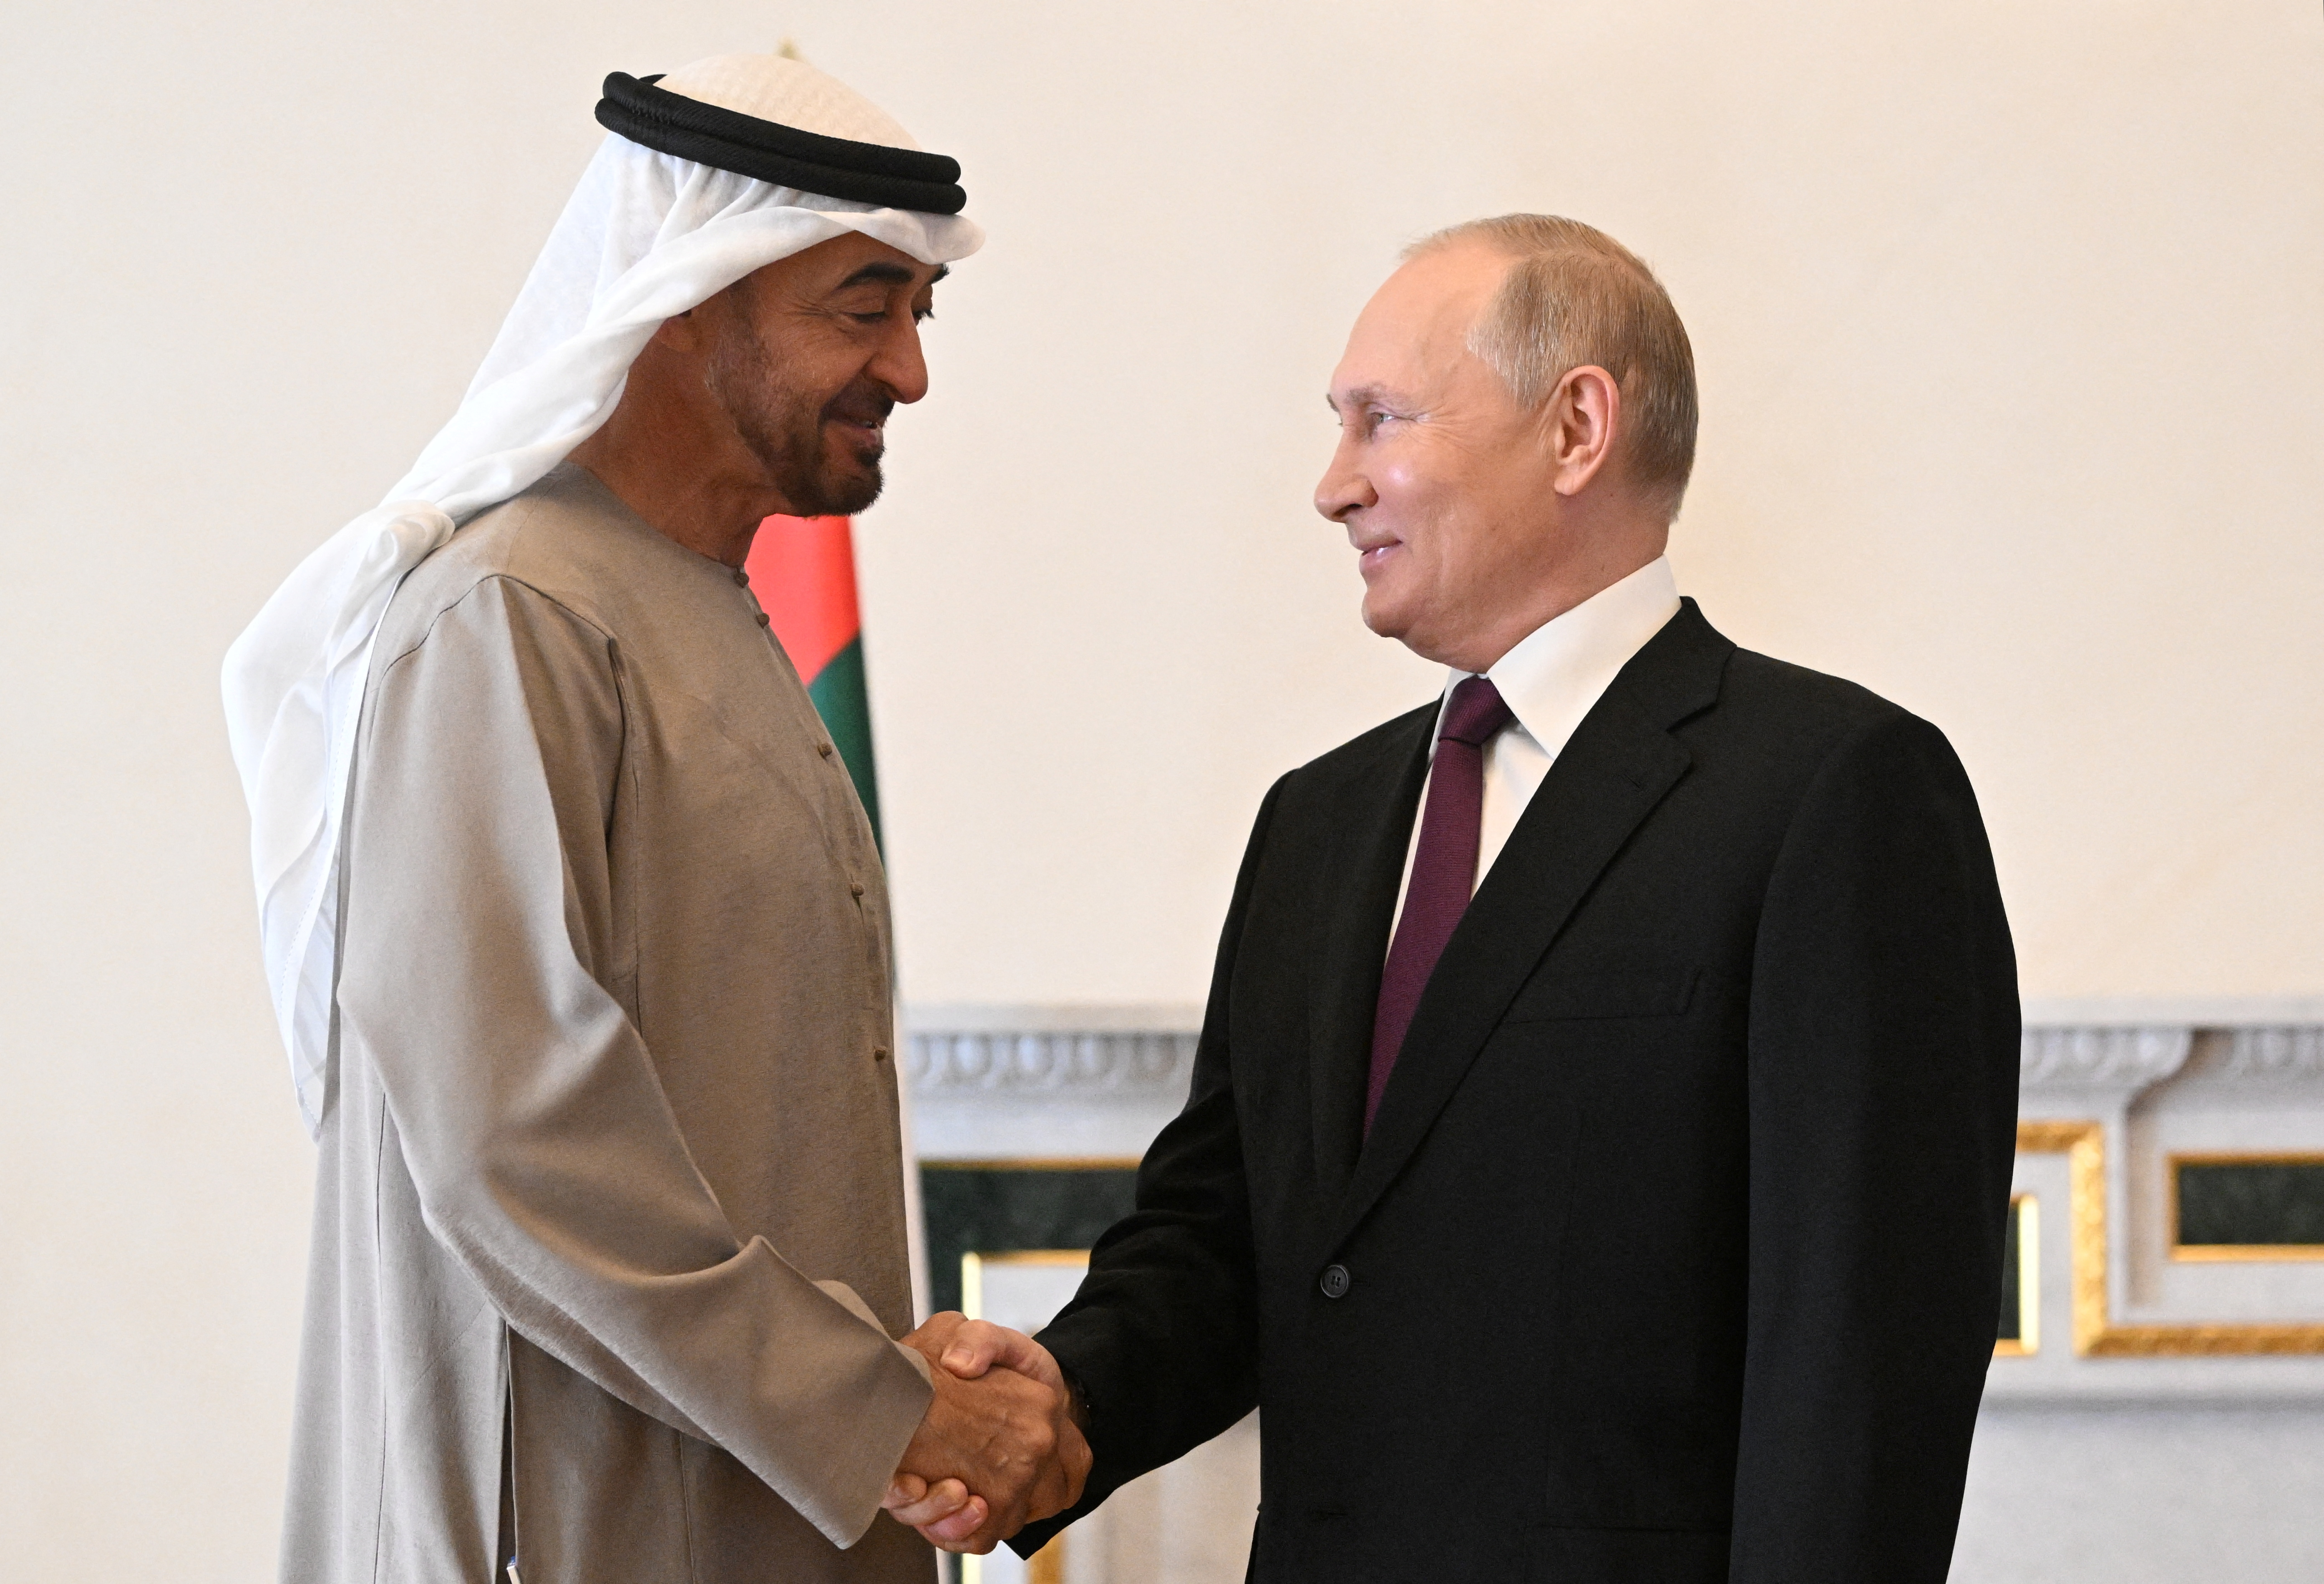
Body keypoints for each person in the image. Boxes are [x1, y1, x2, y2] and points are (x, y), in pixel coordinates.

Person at [928, 216, 2022, 1580]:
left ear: (1576, 428)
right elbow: (1230, 1240)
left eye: (1379, 420)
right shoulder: (1315, 825)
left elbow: (1863, 1358)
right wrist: (1059, 1409)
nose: (1333, 487)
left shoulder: (1835, 793)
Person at [221, 55, 1080, 1582]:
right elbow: (519, 1145)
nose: (908, 371)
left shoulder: (695, 609)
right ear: (693, 293)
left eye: (916, 314)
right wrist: (880, 1416)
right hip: (573, 1527)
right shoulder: (514, 615)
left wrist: (897, 1388)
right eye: (862, 305)